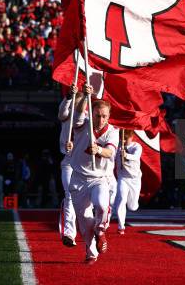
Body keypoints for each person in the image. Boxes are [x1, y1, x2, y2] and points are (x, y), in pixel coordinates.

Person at [70, 88, 118, 265]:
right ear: (92, 113)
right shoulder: (83, 124)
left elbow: (110, 152)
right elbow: (77, 115)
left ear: (109, 116)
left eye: (104, 116)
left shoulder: (112, 131)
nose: (101, 119)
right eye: (98, 115)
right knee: (83, 222)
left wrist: (98, 150)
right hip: (79, 178)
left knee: (101, 204)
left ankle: (101, 230)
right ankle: (91, 253)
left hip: (99, 178)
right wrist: (84, 97)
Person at [58, 83, 87, 247]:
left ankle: (91, 229)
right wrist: (69, 97)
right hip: (69, 162)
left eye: (80, 104)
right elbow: (62, 111)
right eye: (76, 103)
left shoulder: (89, 121)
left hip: (85, 164)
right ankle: (69, 233)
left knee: (84, 200)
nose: (78, 107)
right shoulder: (67, 116)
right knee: (70, 194)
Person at [114, 130, 142, 235]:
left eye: (126, 138)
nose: (124, 140)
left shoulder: (137, 147)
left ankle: (134, 204)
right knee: (121, 199)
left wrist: (126, 155)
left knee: (133, 207)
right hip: (123, 178)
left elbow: (136, 157)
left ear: (132, 137)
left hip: (134, 179)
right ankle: (121, 226)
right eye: (122, 138)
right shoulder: (118, 147)